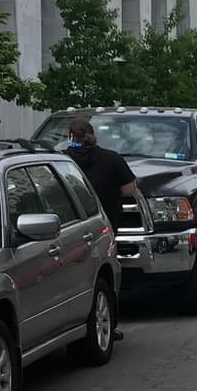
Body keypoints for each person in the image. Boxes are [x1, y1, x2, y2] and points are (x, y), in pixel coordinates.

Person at [67, 117, 135, 340]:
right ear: (92, 135)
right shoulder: (111, 159)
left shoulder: (63, 161)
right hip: (103, 225)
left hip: (70, 228)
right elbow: (128, 190)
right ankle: (106, 324)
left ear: (70, 136)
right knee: (104, 275)